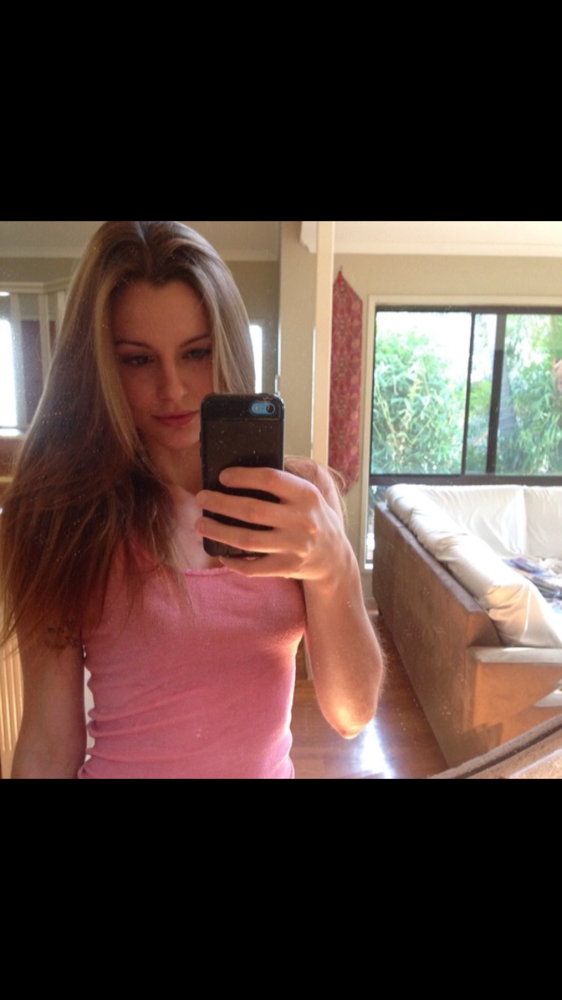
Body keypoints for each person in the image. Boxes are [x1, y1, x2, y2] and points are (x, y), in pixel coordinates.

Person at [0, 221, 384, 780]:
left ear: (227, 345)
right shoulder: (66, 517)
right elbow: (47, 745)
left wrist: (335, 569)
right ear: (100, 364)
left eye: (196, 352)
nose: (173, 388)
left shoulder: (303, 500)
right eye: (138, 359)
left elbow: (352, 714)